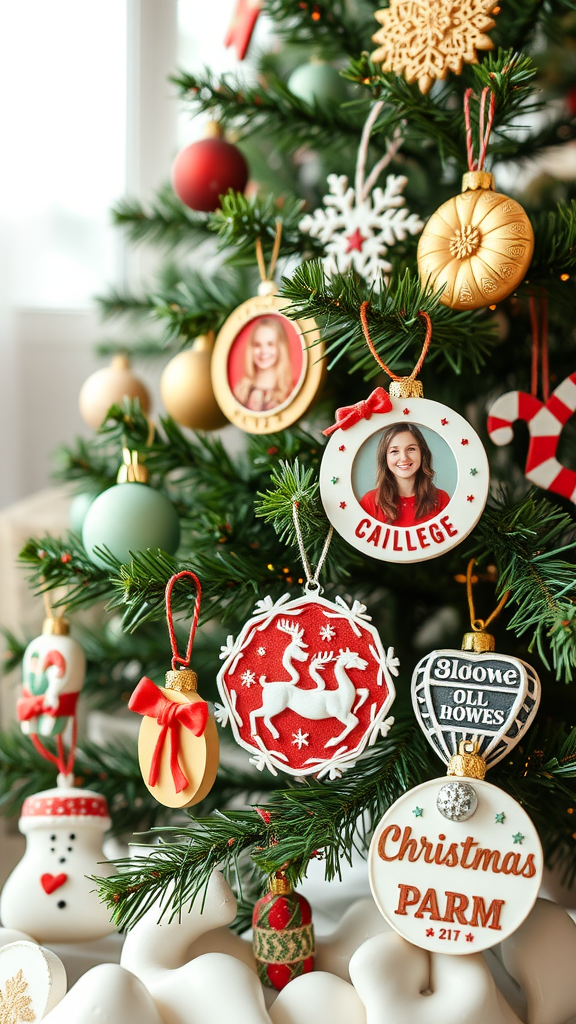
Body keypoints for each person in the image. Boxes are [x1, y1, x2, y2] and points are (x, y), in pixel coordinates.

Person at [360, 423, 450, 526]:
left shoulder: (441, 499)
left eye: (411, 449)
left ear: (422, 453)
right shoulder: (370, 502)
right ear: (385, 458)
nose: (403, 458)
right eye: (394, 451)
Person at [232, 316, 295, 412]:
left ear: (280, 348)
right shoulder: (241, 390)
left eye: (270, 344)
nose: (263, 351)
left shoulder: (289, 390)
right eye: (257, 345)